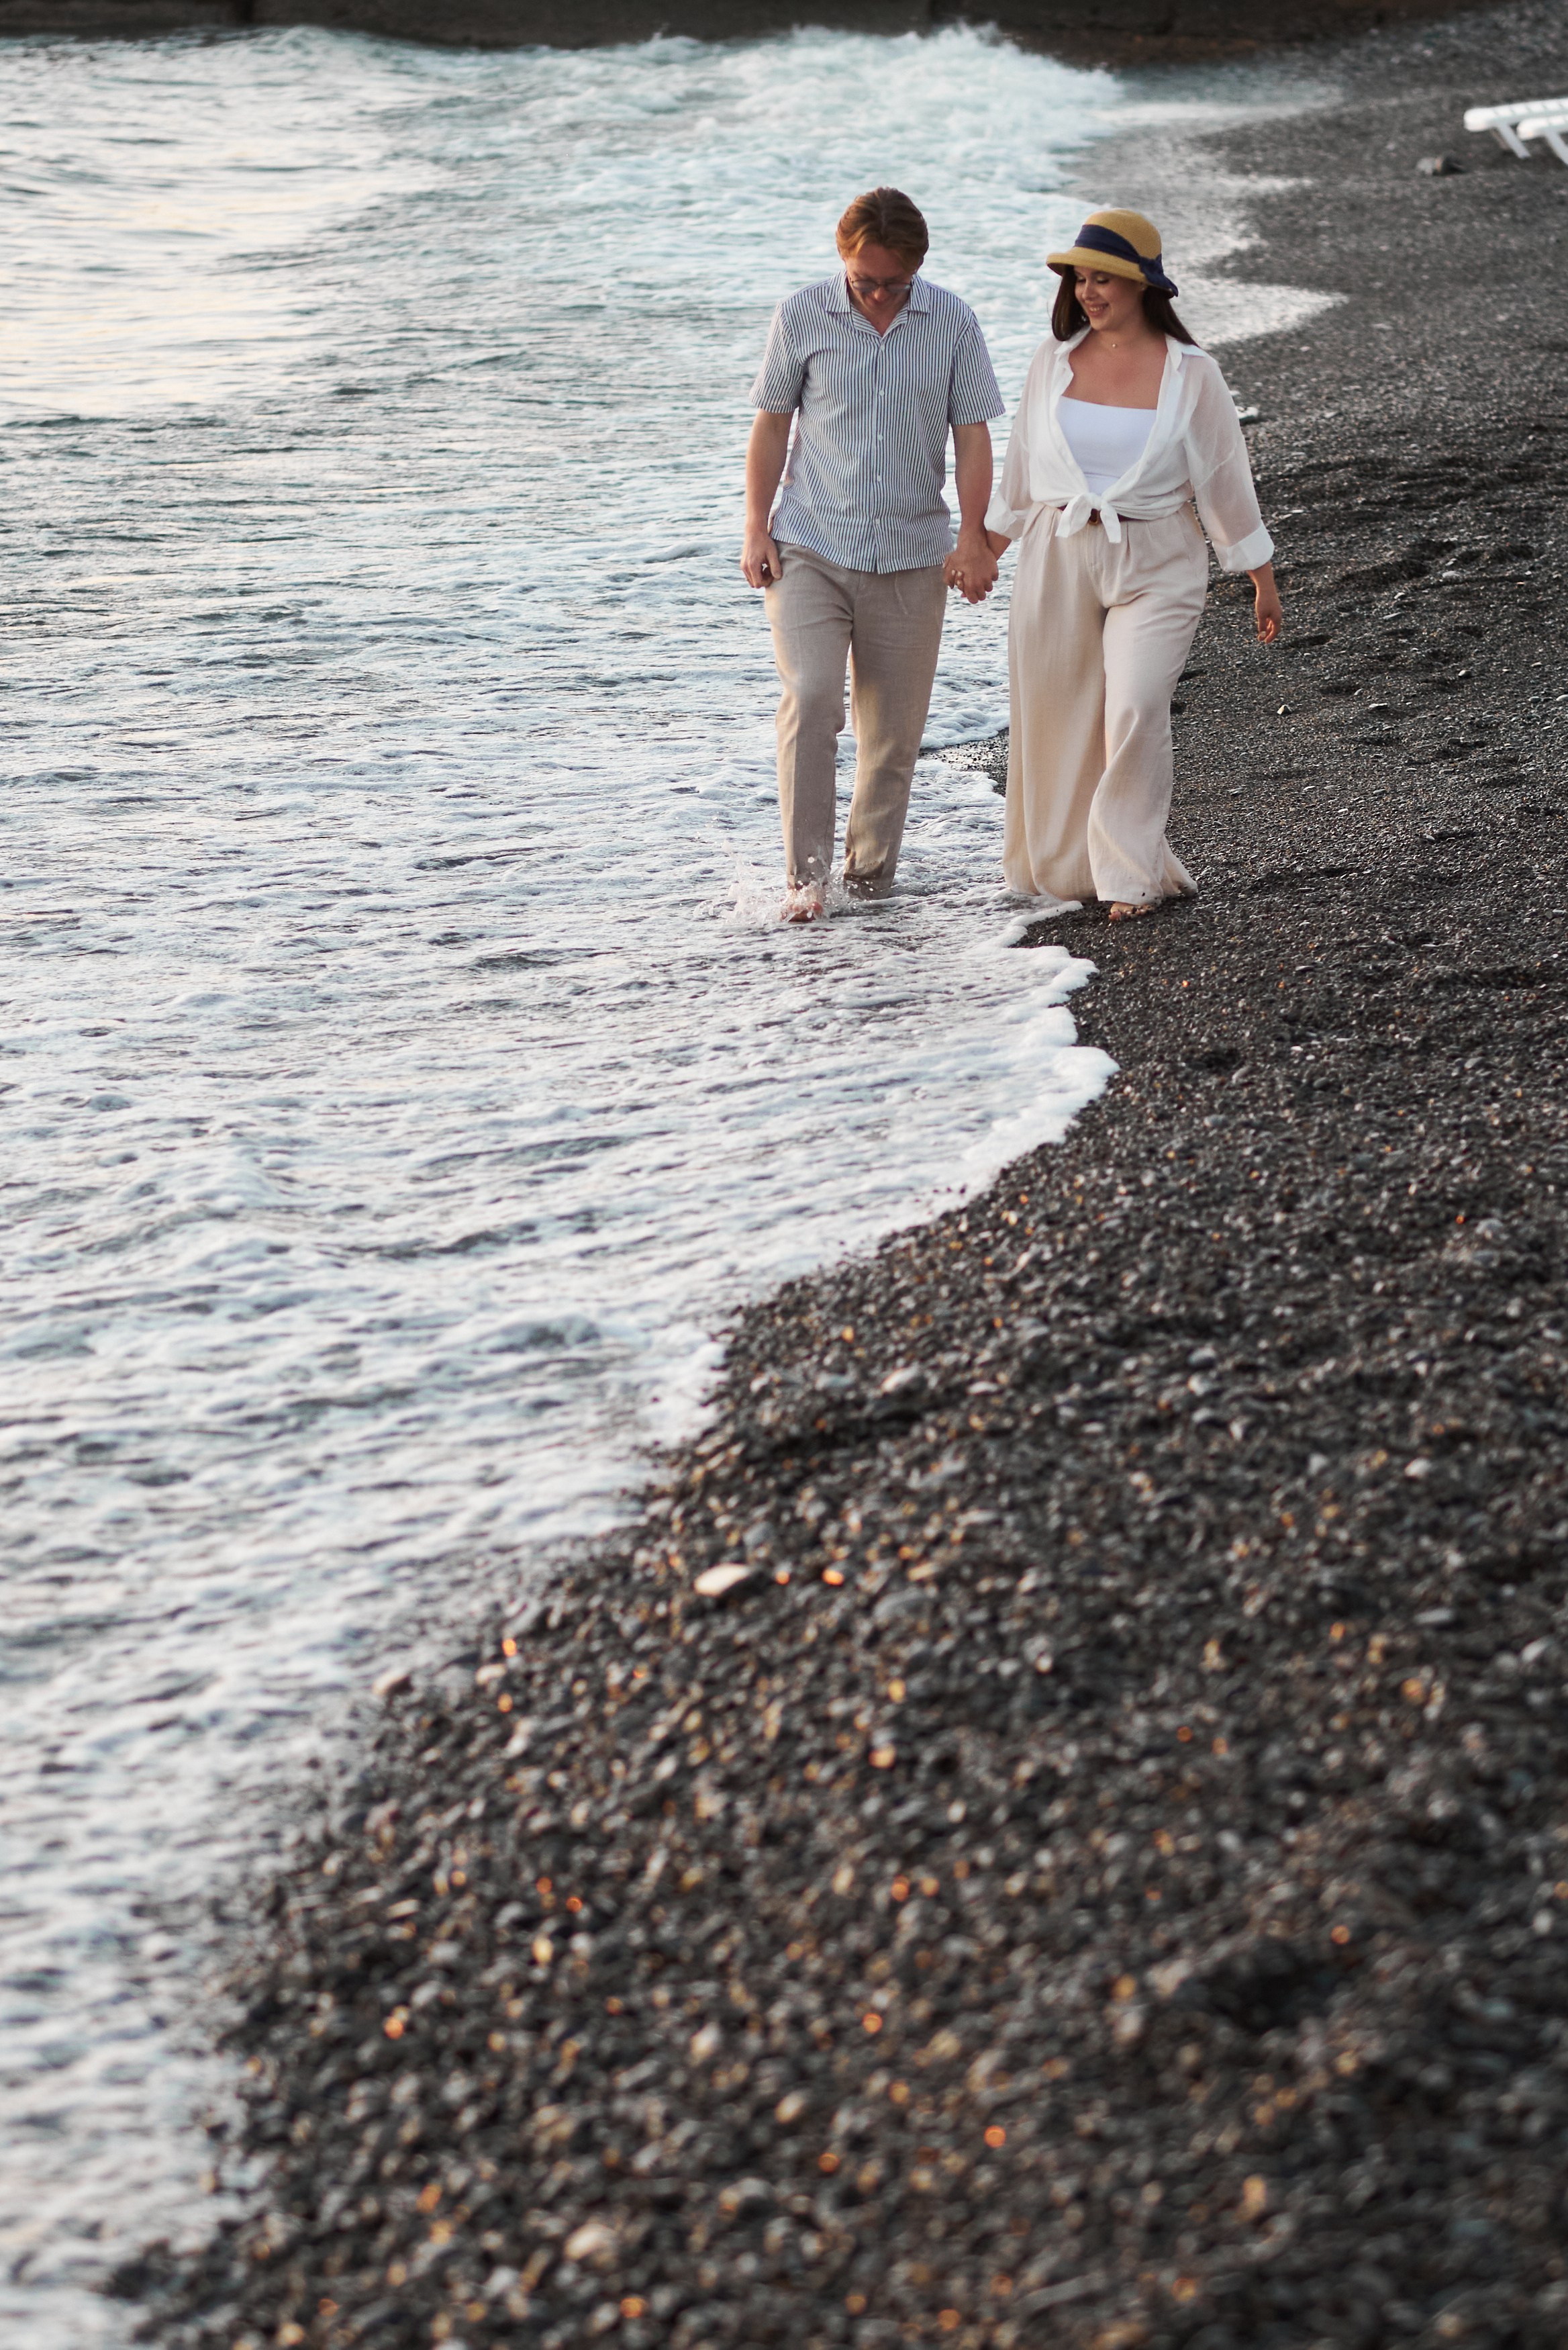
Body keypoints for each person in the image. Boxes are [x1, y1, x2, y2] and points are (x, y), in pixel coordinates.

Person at [961, 209, 1281, 919]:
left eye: (1101, 277)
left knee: (1134, 706)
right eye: (1078, 278)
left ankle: (1129, 873)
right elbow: (1022, 470)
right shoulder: (1053, 359)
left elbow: (1224, 477)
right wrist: (983, 548)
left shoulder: (1191, 373)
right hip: (1057, 552)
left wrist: (1258, 574)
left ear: (1142, 283)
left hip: (1158, 557)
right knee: (1054, 713)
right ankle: (1066, 866)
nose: (1086, 291)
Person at [741, 188, 1005, 923]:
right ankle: (806, 883)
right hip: (810, 546)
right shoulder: (802, 314)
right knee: (814, 695)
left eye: (894, 282)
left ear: (916, 269)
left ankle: (870, 880)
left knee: (891, 738)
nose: (880, 294)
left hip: (913, 554)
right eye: (865, 280)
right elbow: (770, 427)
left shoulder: (950, 319)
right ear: (843, 261)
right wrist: (755, 528)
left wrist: (972, 536)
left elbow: (973, 435)